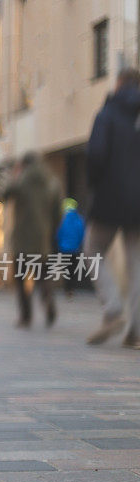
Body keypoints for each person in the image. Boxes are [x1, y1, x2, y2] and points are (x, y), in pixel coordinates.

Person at [85, 68, 140, 348]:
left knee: (93, 250)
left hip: (110, 196)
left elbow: (95, 154)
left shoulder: (107, 114)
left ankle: (113, 307)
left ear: (119, 83)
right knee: (136, 263)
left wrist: (95, 185)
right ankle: (137, 328)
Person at [2, 152, 62, 328]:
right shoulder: (52, 182)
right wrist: (50, 229)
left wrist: (14, 175)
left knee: (20, 278)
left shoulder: (22, 179)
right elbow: (58, 213)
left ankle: (26, 316)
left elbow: (5, 194)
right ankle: (48, 300)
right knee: (43, 276)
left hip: (22, 237)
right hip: (43, 238)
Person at [56, 198, 86, 295]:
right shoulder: (79, 219)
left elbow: (58, 233)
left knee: (65, 268)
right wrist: (79, 244)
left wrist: (58, 243)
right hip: (75, 249)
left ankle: (67, 287)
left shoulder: (61, 219)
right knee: (73, 269)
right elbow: (82, 233)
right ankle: (71, 288)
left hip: (63, 248)